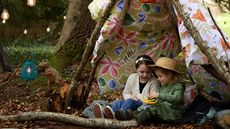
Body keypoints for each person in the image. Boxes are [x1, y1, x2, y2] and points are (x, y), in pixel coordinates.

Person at [115, 57, 185, 124]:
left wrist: (158, 95)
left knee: (154, 107)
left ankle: (137, 118)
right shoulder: (164, 85)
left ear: (169, 75)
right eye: (157, 77)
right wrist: (152, 99)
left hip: (173, 112)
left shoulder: (178, 86)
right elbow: (160, 101)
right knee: (149, 105)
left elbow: (177, 98)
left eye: (160, 76)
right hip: (163, 109)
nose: (158, 79)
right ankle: (133, 113)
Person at [93, 55, 160, 119]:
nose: (145, 75)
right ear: (136, 69)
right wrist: (130, 97)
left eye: (148, 72)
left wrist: (136, 98)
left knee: (129, 102)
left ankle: (119, 114)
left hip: (143, 106)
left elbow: (153, 99)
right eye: (142, 72)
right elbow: (126, 92)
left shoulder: (154, 81)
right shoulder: (132, 77)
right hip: (130, 102)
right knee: (117, 103)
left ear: (151, 70)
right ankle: (106, 114)